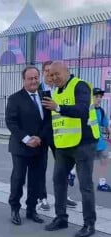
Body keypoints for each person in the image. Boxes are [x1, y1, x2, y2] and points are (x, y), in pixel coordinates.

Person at [42, 61, 99, 237]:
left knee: (85, 185)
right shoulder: (55, 91)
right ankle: (61, 218)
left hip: (83, 143)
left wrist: (58, 107)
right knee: (58, 179)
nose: (54, 78)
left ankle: (89, 224)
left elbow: (82, 110)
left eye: (57, 74)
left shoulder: (79, 86)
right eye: (51, 75)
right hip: (64, 145)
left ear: (67, 71)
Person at [5, 66, 51, 226]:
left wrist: (40, 137)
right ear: (24, 80)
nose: (34, 81)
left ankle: (31, 209)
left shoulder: (45, 96)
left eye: (36, 77)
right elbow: (11, 122)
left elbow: (48, 120)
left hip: (40, 146)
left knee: (36, 179)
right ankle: (15, 209)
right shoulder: (14, 98)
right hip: (21, 147)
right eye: (30, 78)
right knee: (18, 179)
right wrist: (26, 139)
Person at [38, 61, 77, 211]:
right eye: (47, 71)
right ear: (43, 73)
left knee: (64, 167)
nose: (50, 74)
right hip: (42, 134)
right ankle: (42, 198)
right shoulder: (38, 90)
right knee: (40, 166)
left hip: (59, 135)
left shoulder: (61, 89)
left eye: (52, 72)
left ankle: (63, 196)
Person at [93, 87, 111, 192]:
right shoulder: (87, 110)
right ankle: (71, 174)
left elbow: (106, 124)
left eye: (100, 97)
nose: (99, 99)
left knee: (104, 159)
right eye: (96, 96)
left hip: (99, 142)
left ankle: (102, 183)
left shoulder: (101, 111)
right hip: (88, 143)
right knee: (82, 162)